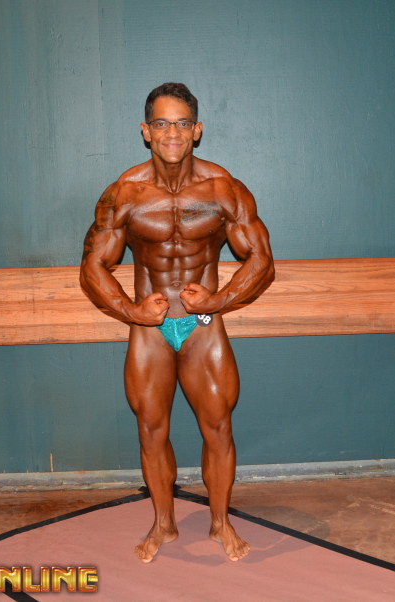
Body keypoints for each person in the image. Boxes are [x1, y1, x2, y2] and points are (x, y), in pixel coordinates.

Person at [80, 83, 274, 563]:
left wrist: (219, 299)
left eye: (182, 123)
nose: (173, 132)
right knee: (151, 429)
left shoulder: (223, 188)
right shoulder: (123, 193)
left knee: (219, 427)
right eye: (162, 123)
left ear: (197, 130)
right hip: (150, 328)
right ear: (146, 131)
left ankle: (220, 522)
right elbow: (92, 267)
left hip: (202, 322)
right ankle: (163, 523)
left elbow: (262, 261)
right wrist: (131, 311)